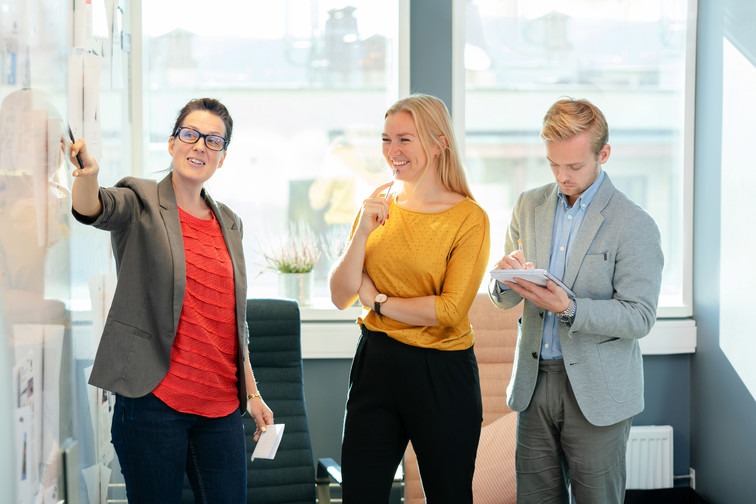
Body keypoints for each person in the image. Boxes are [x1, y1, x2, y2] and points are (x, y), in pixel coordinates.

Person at [68, 98, 274, 503]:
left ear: (223, 157)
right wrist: (88, 176)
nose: (200, 146)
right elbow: (93, 207)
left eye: (213, 141)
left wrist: (252, 394)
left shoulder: (230, 222)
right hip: (154, 402)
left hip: (219, 408)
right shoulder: (140, 199)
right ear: (172, 143)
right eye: (190, 134)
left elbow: (233, 321)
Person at [488, 98, 664, 504]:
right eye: (553, 164)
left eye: (574, 166)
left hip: (598, 390)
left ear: (603, 154)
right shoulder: (528, 205)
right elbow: (502, 299)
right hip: (534, 384)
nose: (562, 177)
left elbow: (639, 316)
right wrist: (505, 279)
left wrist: (568, 307)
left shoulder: (634, 223)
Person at [329, 94, 490, 503]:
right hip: (376, 364)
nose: (392, 152)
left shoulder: (469, 218)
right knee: (360, 494)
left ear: (438, 144)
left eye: (404, 139)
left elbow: (449, 310)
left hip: (442, 373)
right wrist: (363, 231)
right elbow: (340, 294)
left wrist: (379, 301)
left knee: (448, 495)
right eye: (386, 139)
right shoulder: (377, 204)